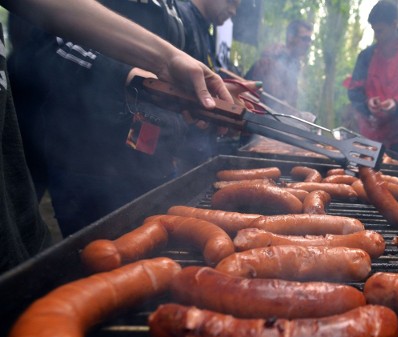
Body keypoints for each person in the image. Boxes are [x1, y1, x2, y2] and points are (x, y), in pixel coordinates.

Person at [0, 0, 231, 275]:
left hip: (146, 162)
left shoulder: (174, 10)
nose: (235, 11)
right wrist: (131, 74)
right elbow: (45, 43)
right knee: (98, 264)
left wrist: (169, 66)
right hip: (91, 161)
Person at [347, 1, 398, 156]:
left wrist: (397, 105)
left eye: (380, 31)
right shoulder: (366, 56)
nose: (376, 36)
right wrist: (367, 104)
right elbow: (354, 91)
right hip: (368, 137)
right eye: (374, 31)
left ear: (394, 24)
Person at [244, 19, 313, 111]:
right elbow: (273, 99)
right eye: (304, 39)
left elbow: (290, 103)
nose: (308, 44)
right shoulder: (272, 59)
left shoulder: (294, 66)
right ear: (290, 37)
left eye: (310, 40)